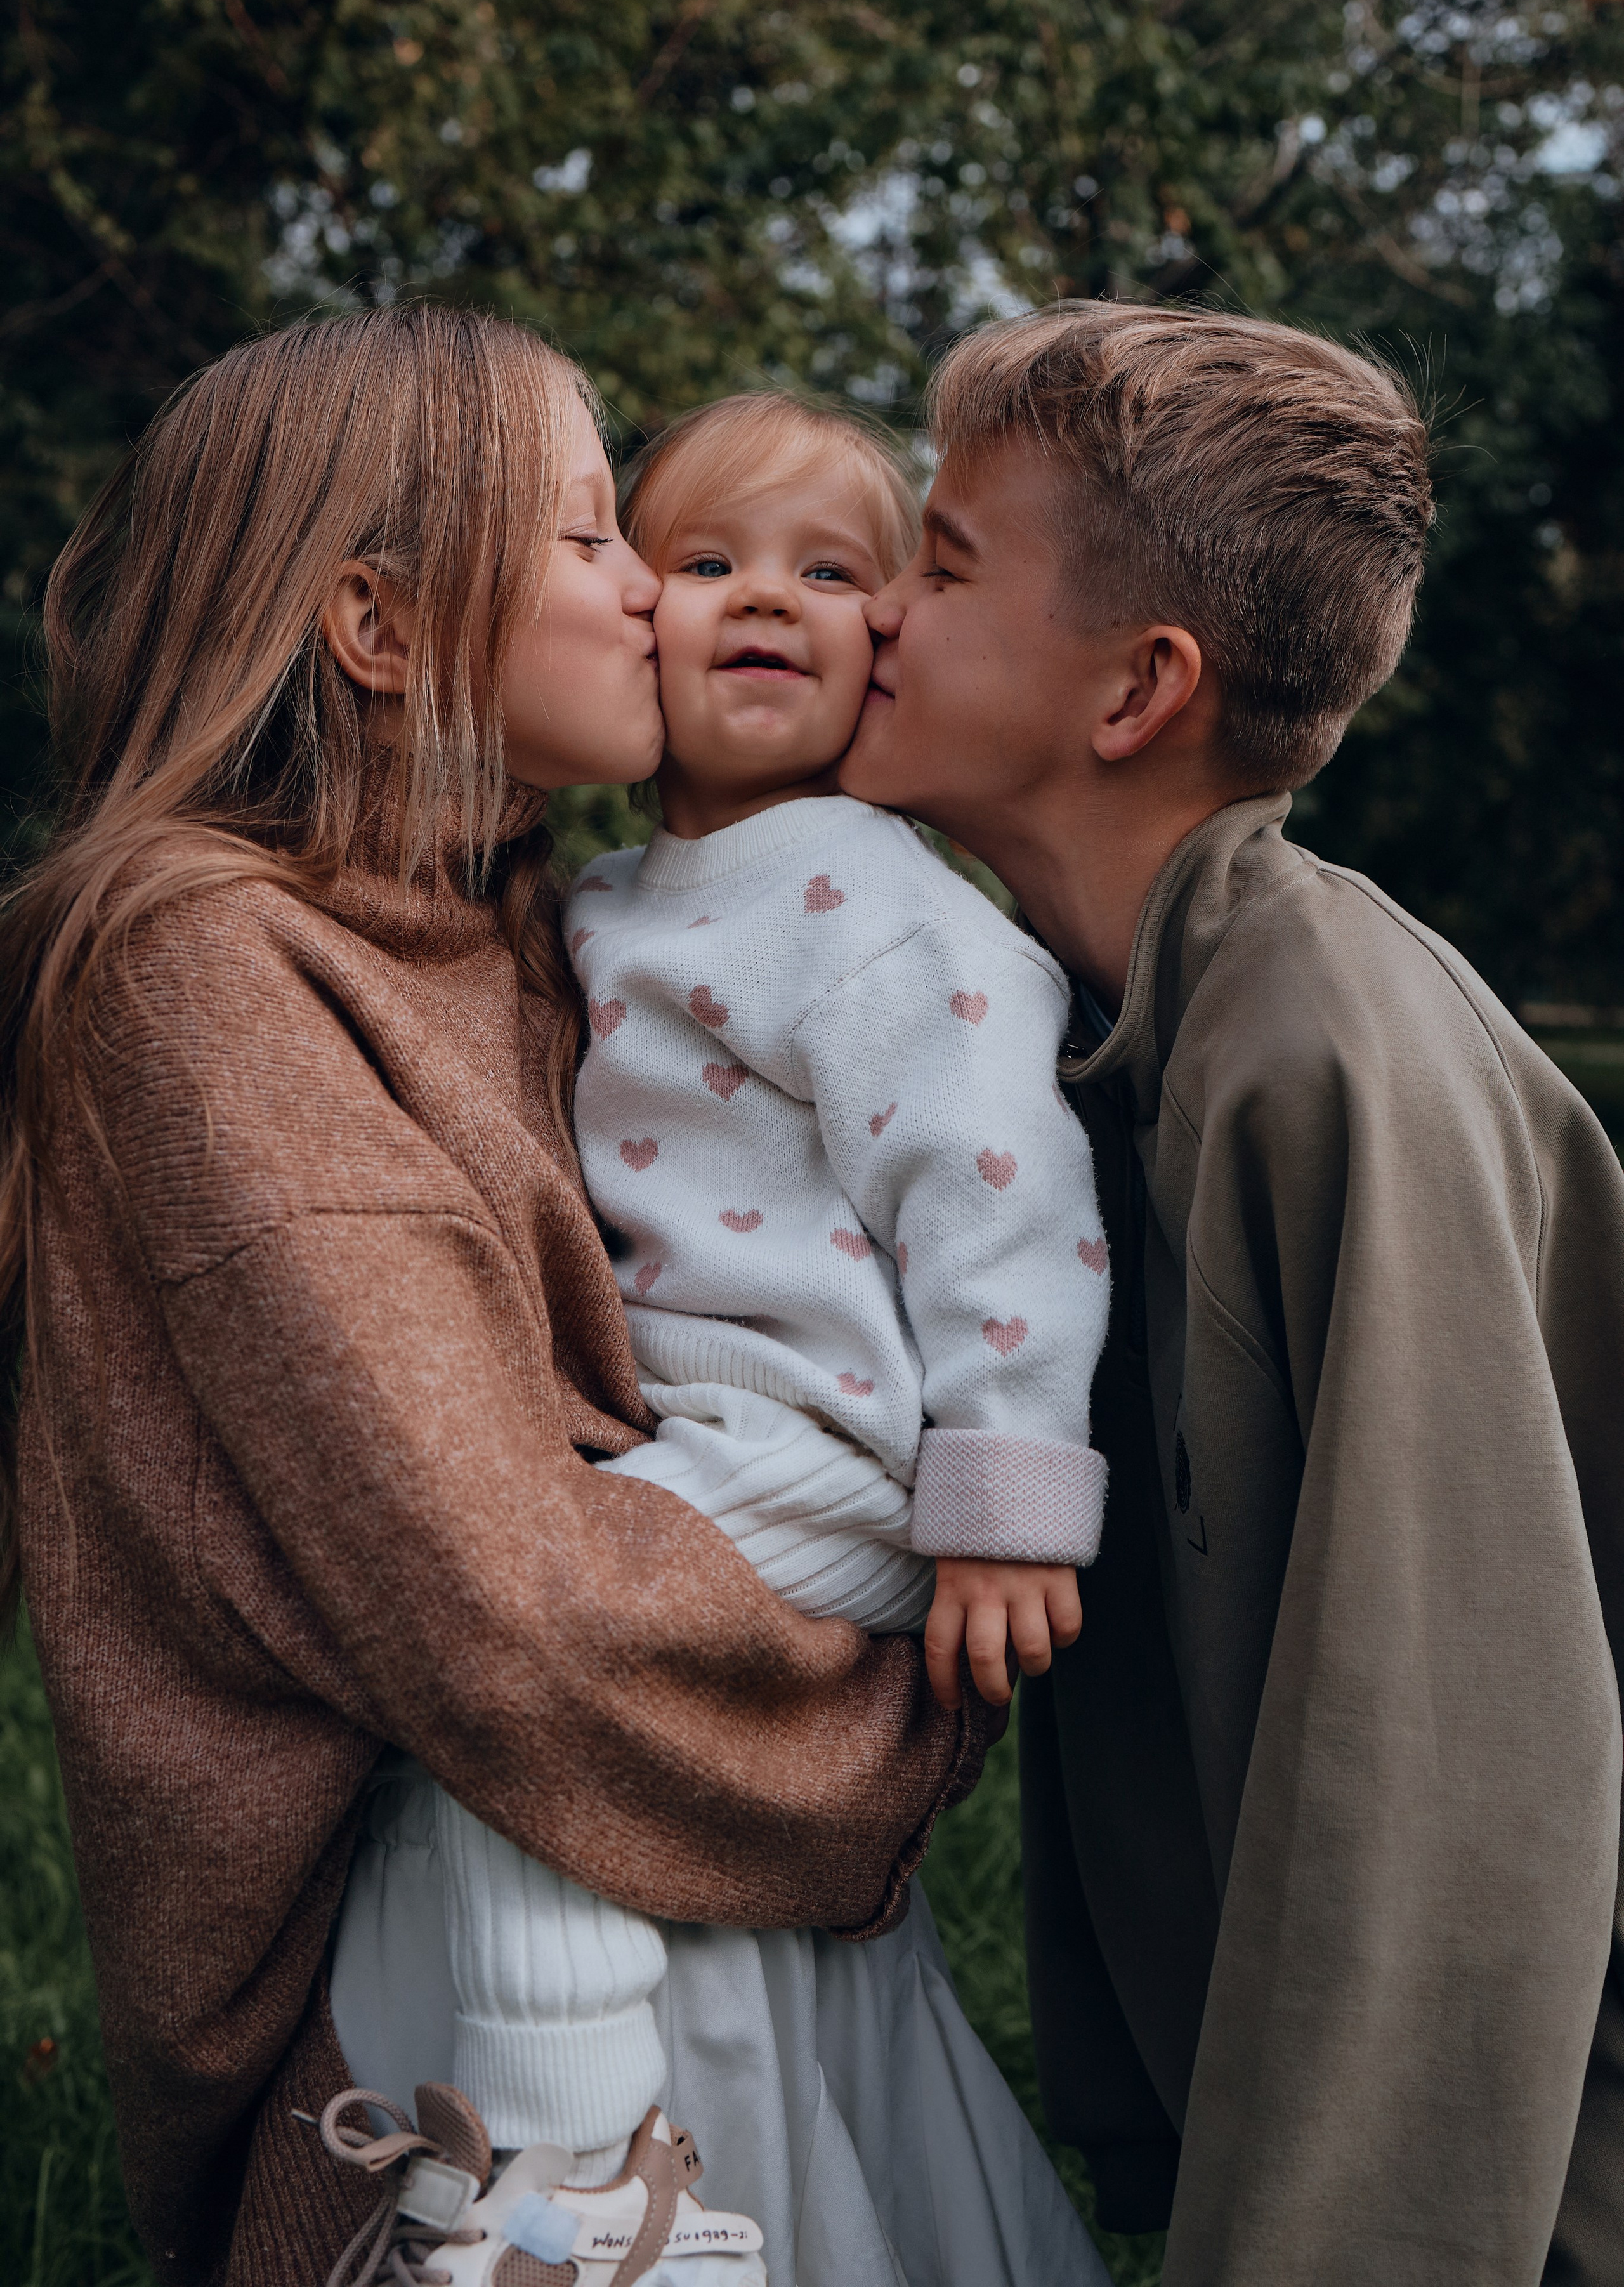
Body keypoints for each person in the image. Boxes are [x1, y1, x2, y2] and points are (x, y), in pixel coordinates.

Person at [0, 309, 992, 2287]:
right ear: (378, 630)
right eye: (590, 538)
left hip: (652, 1829)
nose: (653, 594)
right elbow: (498, 1612)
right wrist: (893, 1698)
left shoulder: (525, 914)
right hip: (453, 1919)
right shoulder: (204, 970)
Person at [839, 300, 1624, 2286]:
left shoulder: (1325, 1048)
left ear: (1135, 692)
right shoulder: (1098, 1029)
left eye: (936, 567)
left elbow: (1451, 1770)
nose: (870, 615)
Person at [336, 390, 1112, 2287]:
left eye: (833, 572)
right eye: (701, 562)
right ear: (634, 625)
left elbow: (1000, 1199)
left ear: (882, 652)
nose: (766, 598)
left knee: (525, 1690)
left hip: (833, 1447)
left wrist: (1004, 1497)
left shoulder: (879, 910)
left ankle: (577, 2189)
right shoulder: (602, 904)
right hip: (684, 1438)